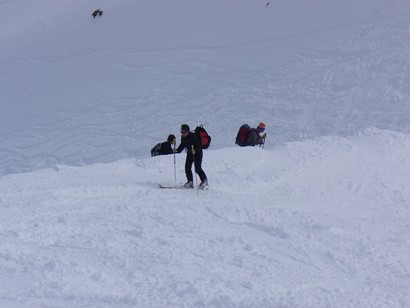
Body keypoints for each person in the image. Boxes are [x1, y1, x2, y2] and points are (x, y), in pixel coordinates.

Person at [175, 124, 208, 189]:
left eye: (184, 132)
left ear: (187, 131)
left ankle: (204, 180)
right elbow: (182, 145)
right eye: (181, 132)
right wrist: (177, 150)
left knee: (197, 168)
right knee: (187, 167)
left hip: (198, 153)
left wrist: (195, 150)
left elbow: (199, 146)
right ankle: (190, 182)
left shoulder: (193, 136)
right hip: (190, 153)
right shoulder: (183, 137)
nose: (182, 134)